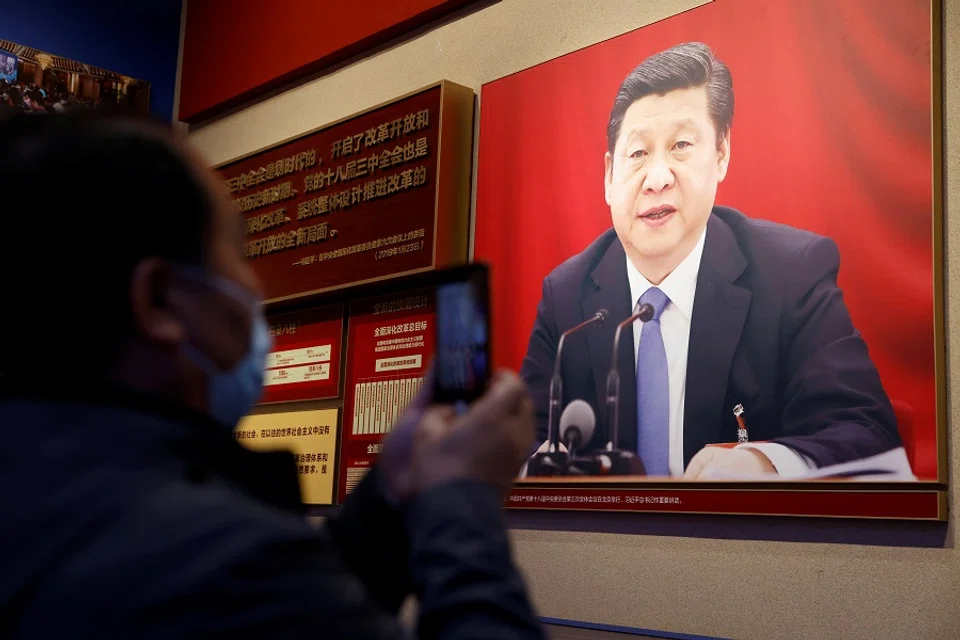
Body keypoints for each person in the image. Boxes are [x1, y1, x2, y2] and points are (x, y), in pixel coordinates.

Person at [0, 111, 545, 638]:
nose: (255, 288)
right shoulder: (213, 559)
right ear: (160, 299)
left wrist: (390, 490)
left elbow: (302, 614)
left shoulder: (45, 501)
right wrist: (462, 497)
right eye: (239, 252)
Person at [520, 42, 901, 479]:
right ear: (609, 176)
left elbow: (867, 432)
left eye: (680, 145)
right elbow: (519, 443)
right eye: (638, 154)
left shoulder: (791, 274)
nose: (657, 179)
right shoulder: (567, 295)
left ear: (721, 155)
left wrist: (765, 465)